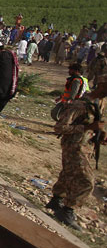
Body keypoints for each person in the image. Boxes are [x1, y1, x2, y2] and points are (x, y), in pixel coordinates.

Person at [47, 75, 107, 230]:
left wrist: (99, 134)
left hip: (86, 145)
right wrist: (87, 128)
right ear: (101, 85)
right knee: (87, 180)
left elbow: (94, 124)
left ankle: (56, 200)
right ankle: (67, 210)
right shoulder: (80, 105)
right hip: (73, 146)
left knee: (69, 173)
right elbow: (59, 128)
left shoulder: (100, 102)